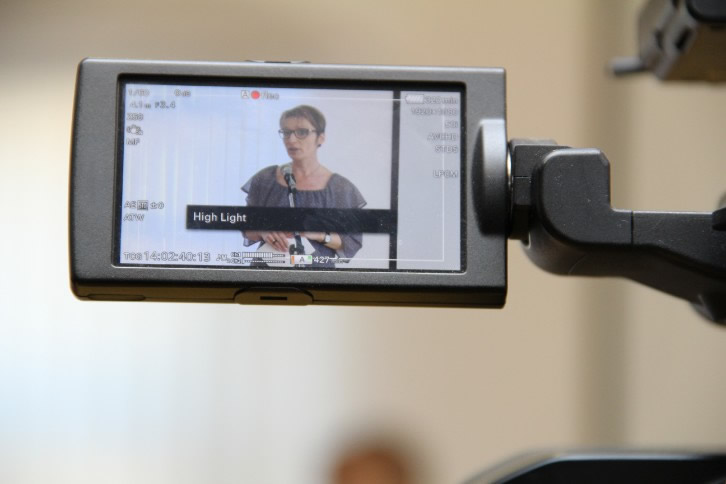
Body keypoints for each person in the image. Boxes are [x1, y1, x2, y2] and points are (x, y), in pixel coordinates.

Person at [242, 105, 366, 264]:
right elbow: (247, 228)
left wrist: (318, 234)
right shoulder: (266, 179)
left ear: (320, 137)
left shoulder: (340, 188)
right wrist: (263, 232)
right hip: (266, 272)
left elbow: (350, 241)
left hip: (316, 275)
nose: (291, 140)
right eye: (286, 132)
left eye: (302, 132)